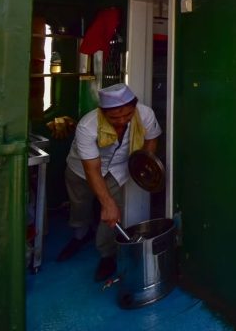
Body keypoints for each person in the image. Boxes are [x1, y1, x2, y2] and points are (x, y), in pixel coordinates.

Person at [58, 83, 162, 281]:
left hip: (118, 168)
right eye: (114, 117)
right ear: (102, 112)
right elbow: (92, 169)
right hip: (81, 169)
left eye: (127, 115)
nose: (122, 121)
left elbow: (152, 138)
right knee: (81, 204)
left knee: (114, 212)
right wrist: (106, 203)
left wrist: (142, 166)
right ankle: (80, 234)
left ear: (135, 108)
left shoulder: (144, 114)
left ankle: (107, 254)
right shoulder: (87, 126)